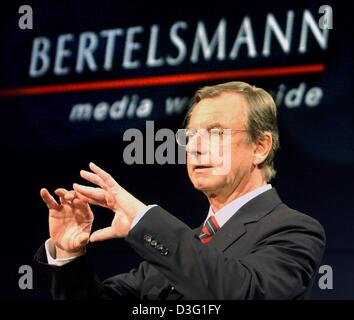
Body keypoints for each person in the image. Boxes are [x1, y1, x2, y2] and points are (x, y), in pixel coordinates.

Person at [35, 81, 326, 299]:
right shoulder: (181, 244)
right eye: (190, 137)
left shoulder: (294, 230)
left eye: (215, 133)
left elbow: (245, 292)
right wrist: (68, 254)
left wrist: (141, 218)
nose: (195, 148)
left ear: (260, 147)